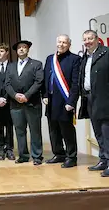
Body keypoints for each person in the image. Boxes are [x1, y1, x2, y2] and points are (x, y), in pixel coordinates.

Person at [43, 34, 80, 168]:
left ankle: (71, 156)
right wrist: (45, 95)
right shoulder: (49, 59)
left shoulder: (75, 59)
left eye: (65, 42)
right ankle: (59, 153)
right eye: (59, 42)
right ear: (56, 43)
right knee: (53, 129)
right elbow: (46, 79)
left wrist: (72, 102)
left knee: (67, 130)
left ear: (69, 45)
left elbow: (76, 83)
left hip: (65, 100)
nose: (61, 44)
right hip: (51, 100)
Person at [5, 40, 44, 165]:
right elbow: (7, 84)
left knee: (35, 130)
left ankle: (37, 156)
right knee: (19, 130)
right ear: (16, 51)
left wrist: (26, 95)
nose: (21, 49)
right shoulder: (10, 66)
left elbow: (39, 82)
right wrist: (15, 95)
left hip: (32, 102)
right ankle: (23, 155)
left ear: (28, 50)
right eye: (19, 48)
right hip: (15, 104)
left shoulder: (36, 64)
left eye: (24, 47)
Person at [78, 30, 109, 177]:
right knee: (98, 132)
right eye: (85, 39)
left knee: (106, 132)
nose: (87, 42)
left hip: (104, 99)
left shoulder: (106, 53)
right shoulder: (86, 57)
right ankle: (103, 160)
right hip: (89, 98)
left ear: (97, 39)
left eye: (90, 38)